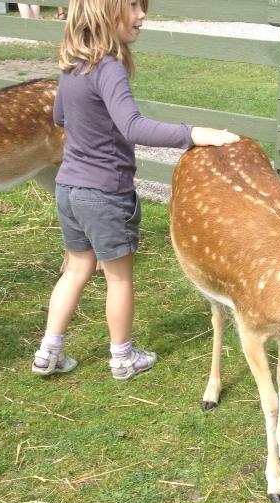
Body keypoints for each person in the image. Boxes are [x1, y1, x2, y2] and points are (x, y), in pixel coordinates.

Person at [31, 0, 239, 380]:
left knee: (76, 268)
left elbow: (60, 116)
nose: (143, 15)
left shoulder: (72, 66)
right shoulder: (108, 67)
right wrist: (191, 134)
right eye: (133, 6)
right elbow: (132, 126)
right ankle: (123, 358)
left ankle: (48, 352)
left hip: (69, 189)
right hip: (104, 194)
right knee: (118, 277)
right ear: (105, 12)